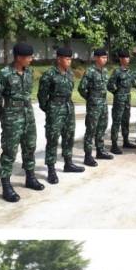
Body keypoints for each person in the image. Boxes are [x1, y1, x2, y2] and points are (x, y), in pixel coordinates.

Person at [0, 42, 44, 201]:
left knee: (30, 147)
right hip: (12, 117)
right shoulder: (4, 74)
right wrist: (3, 115)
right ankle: (6, 186)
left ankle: (30, 178)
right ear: (19, 57)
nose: (31, 60)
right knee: (10, 151)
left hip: (28, 116)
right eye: (29, 57)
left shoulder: (29, 72)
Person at [37, 46, 84, 184]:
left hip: (68, 108)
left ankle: (68, 163)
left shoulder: (70, 73)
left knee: (69, 136)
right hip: (55, 109)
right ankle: (51, 169)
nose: (69, 61)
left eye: (70, 59)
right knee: (53, 139)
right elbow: (42, 95)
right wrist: (49, 109)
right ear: (59, 59)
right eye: (67, 59)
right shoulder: (49, 74)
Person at [78, 47, 112, 166]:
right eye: (103, 57)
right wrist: (90, 99)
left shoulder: (105, 71)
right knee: (91, 130)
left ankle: (100, 151)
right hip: (94, 106)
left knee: (102, 127)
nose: (105, 59)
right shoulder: (90, 71)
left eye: (106, 57)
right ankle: (88, 156)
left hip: (103, 104)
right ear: (96, 58)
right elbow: (81, 88)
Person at [107, 48, 136, 153]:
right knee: (116, 121)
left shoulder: (129, 72)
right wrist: (117, 93)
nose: (127, 59)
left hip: (127, 100)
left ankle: (126, 141)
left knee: (126, 120)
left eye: (128, 57)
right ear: (121, 59)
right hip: (119, 101)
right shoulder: (117, 71)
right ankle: (114, 145)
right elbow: (110, 85)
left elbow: (134, 83)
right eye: (125, 57)